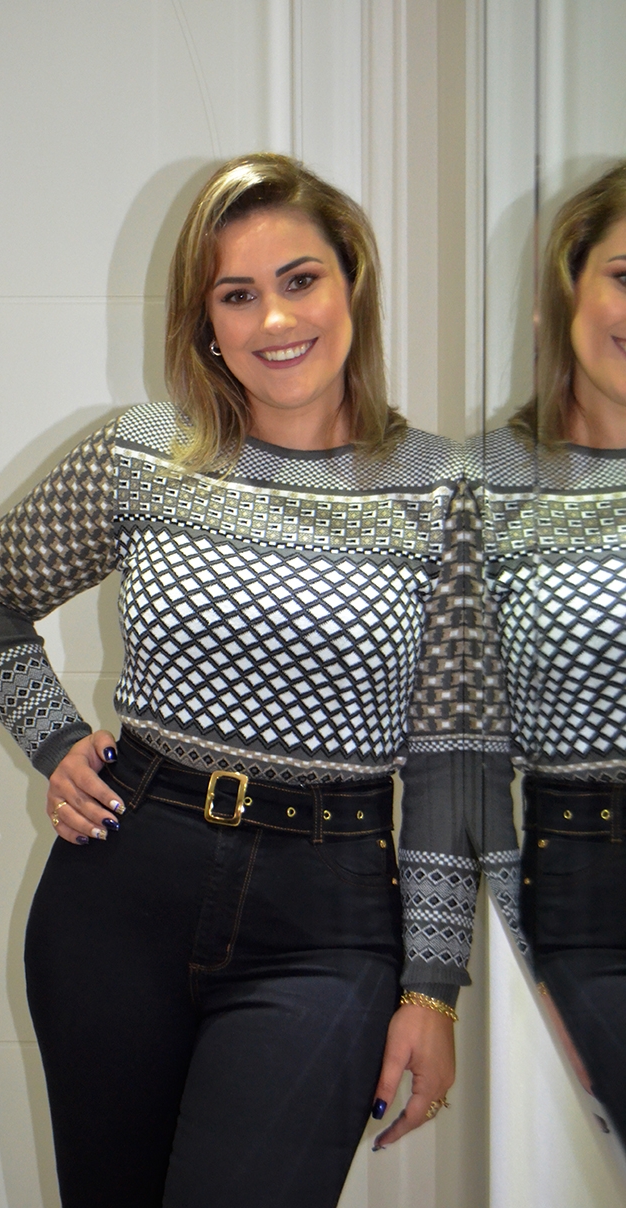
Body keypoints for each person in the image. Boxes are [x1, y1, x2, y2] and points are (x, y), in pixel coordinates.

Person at [0, 153, 489, 1208]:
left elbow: (449, 765)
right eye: (236, 294)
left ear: (352, 286)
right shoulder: (143, 455)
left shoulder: (444, 492)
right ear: (204, 322)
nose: (273, 318)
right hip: (120, 893)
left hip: (327, 918)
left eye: (300, 279)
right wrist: (54, 739)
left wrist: (432, 989)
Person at [467, 160, 626, 1147]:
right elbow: (463, 760)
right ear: (568, 288)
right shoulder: (484, 487)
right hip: (587, 895)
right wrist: (523, 965)